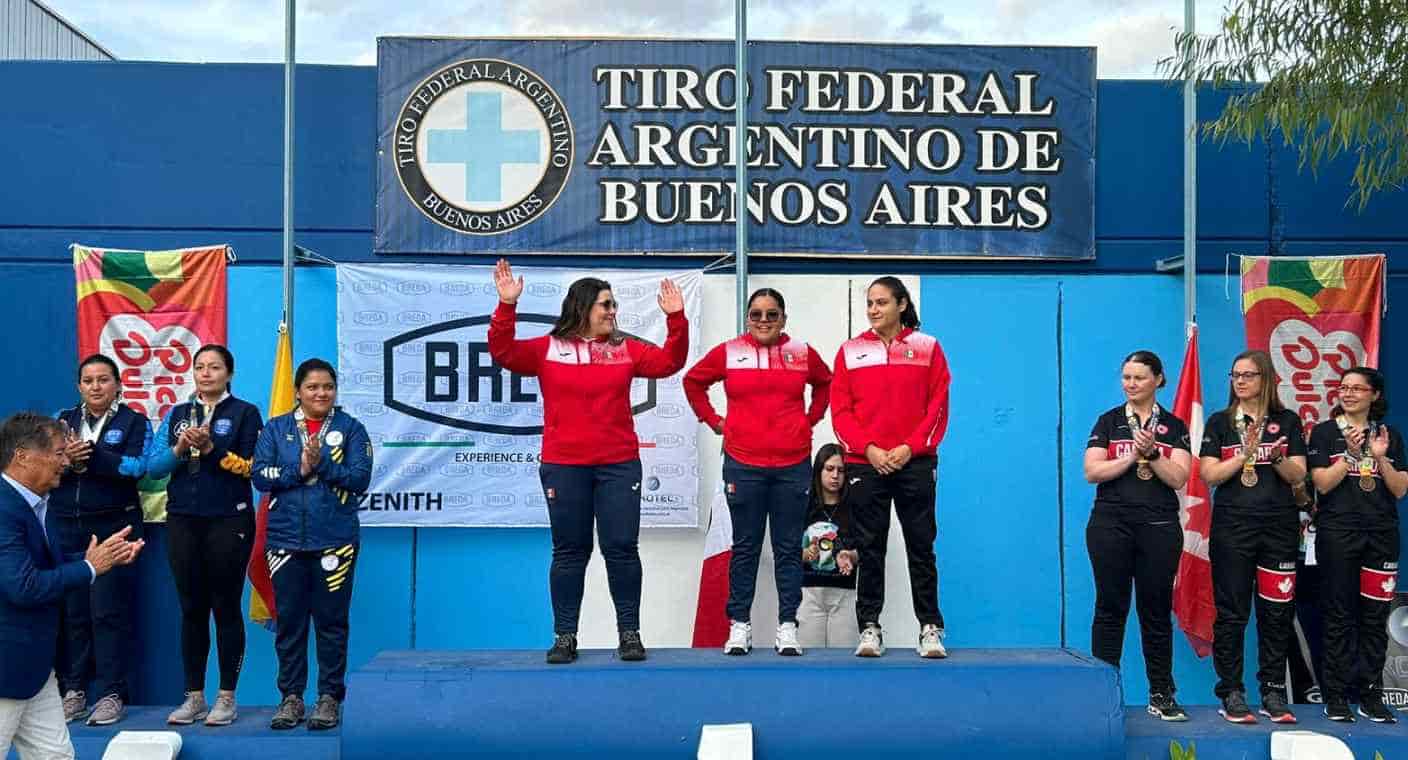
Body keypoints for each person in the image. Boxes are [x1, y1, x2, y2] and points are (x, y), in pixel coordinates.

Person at [489, 259, 688, 664]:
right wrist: (507, 306)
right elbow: (504, 352)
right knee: (569, 552)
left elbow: (670, 362)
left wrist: (676, 318)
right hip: (565, 466)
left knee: (621, 549)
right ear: (582, 308)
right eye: (605, 305)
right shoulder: (548, 349)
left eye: (614, 305)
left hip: (618, 465)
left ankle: (629, 634)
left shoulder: (624, 349)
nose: (613, 312)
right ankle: (565, 637)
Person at [684, 287, 831, 656]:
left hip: (791, 466)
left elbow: (827, 383)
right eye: (756, 314)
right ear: (747, 318)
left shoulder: (801, 353)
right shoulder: (730, 352)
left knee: (786, 549)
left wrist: (809, 420)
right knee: (746, 548)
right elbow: (693, 381)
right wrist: (715, 421)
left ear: (784, 317)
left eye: (771, 314)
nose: (763, 320)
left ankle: (787, 626)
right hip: (743, 465)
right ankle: (739, 626)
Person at [0, 412, 142, 759]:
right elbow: (25, 587)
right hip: (6, 672)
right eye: (59, 452)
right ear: (23, 456)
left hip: (34, 669)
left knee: (56, 756)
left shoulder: (35, 503)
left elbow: (49, 567)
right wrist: (89, 567)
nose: (67, 461)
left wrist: (100, 559)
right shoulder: (4, 510)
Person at [831, 276, 950, 658]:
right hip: (866, 464)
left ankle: (930, 629)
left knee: (921, 546)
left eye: (882, 302)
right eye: (870, 303)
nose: (874, 309)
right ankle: (869, 627)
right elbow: (841, 411)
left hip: (914, 463)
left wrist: (909, 447)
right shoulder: (849, 351)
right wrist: (868, 450)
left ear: (901, 304)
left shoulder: (927, 347)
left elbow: (938, 405)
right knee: (869, 548)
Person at [146, 345, 264, 727]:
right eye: (200, 367)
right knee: (191, 609)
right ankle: (194, 696)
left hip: (229, 519)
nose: (206, 373)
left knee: (225, 607)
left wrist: (212, 449)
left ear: (229, 373)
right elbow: (154, 469)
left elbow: (252, 469)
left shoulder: (245, 413)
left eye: (215, 367)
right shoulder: (178, 414)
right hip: (183, 519)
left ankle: (226, 696)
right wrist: (180, 446)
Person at [253, 358, 372, 731]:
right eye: (313, 387)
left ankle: (329, 697)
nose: (321, 393)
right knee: (289, 623)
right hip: (285, 542)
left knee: (331, 623)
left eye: (328, 387)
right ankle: (291, 697)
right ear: (298, 391)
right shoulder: (276, 429)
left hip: (335, 542)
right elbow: (261, 474)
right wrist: (299, 470)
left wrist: (322, 466)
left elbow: (359, 478)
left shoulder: (351, 429)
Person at [1082, 351, 1192, 721]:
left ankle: (1161, 693)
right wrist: (1132, 457)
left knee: (1155, 612)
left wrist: (1154, 454)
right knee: (1110, 609)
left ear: (1158, 380)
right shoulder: (1109, 421)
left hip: (1158, 527)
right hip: (1110, 523)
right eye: (1126, 377)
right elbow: (1092, 471)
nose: (1130, 384)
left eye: (1139, 378)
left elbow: (1179, 478)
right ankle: (1101, 694)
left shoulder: (1174, 426)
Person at [1200, 349, 1307, 724]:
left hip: (1278, 528)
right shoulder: (1220, 422)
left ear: (1266, 379)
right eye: (1235, 375)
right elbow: (1209, 475)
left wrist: (1276, 458)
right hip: (1233, 529)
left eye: (1248, 375)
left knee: (1276, 613)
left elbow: (1298, 477)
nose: (1240, 381)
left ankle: (1274, 691)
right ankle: (1231, 690)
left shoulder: (1287, 421)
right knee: (1232, 613)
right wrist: (1241, 455)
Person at [48, 354, 151, 725]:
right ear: (79, 387)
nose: (95, 386)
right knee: (73, 614)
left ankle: (111, 693)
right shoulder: (62, 422)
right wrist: (65, 462)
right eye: (88, 380)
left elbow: (138, 468)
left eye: (103, 379)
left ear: (118, 384)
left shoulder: (135, 421)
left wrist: (89, 457)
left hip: (113, 529)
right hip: (66, 527)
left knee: (108, 613)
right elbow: (43, 467)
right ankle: (74, 690)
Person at [1307, 367, 1408, 723]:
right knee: (1338, 614)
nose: (1348, 394)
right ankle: (1335, 695)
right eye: (1343, 387)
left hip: (1381, 535)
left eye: (1357, 388)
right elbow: (1321, 483)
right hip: (1338, 534)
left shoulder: (1389, 436)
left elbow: (1399, 489)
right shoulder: (1323, 433)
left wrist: (1378, 457)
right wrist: (1349, 456)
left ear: (1374, 395)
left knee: (1374, 617)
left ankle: (1371, 695)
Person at [796, 443, 858, 649]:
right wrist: (802, 554)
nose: (835, 476)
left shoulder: (855, 507)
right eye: (829, 469)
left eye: (841, 470)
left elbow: (867, 549)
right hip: (808, 594)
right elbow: (784, 547)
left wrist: (850, 556)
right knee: (808, 662)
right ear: (819, 470)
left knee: (845, 662)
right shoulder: (803, 506)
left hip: (844, 595)